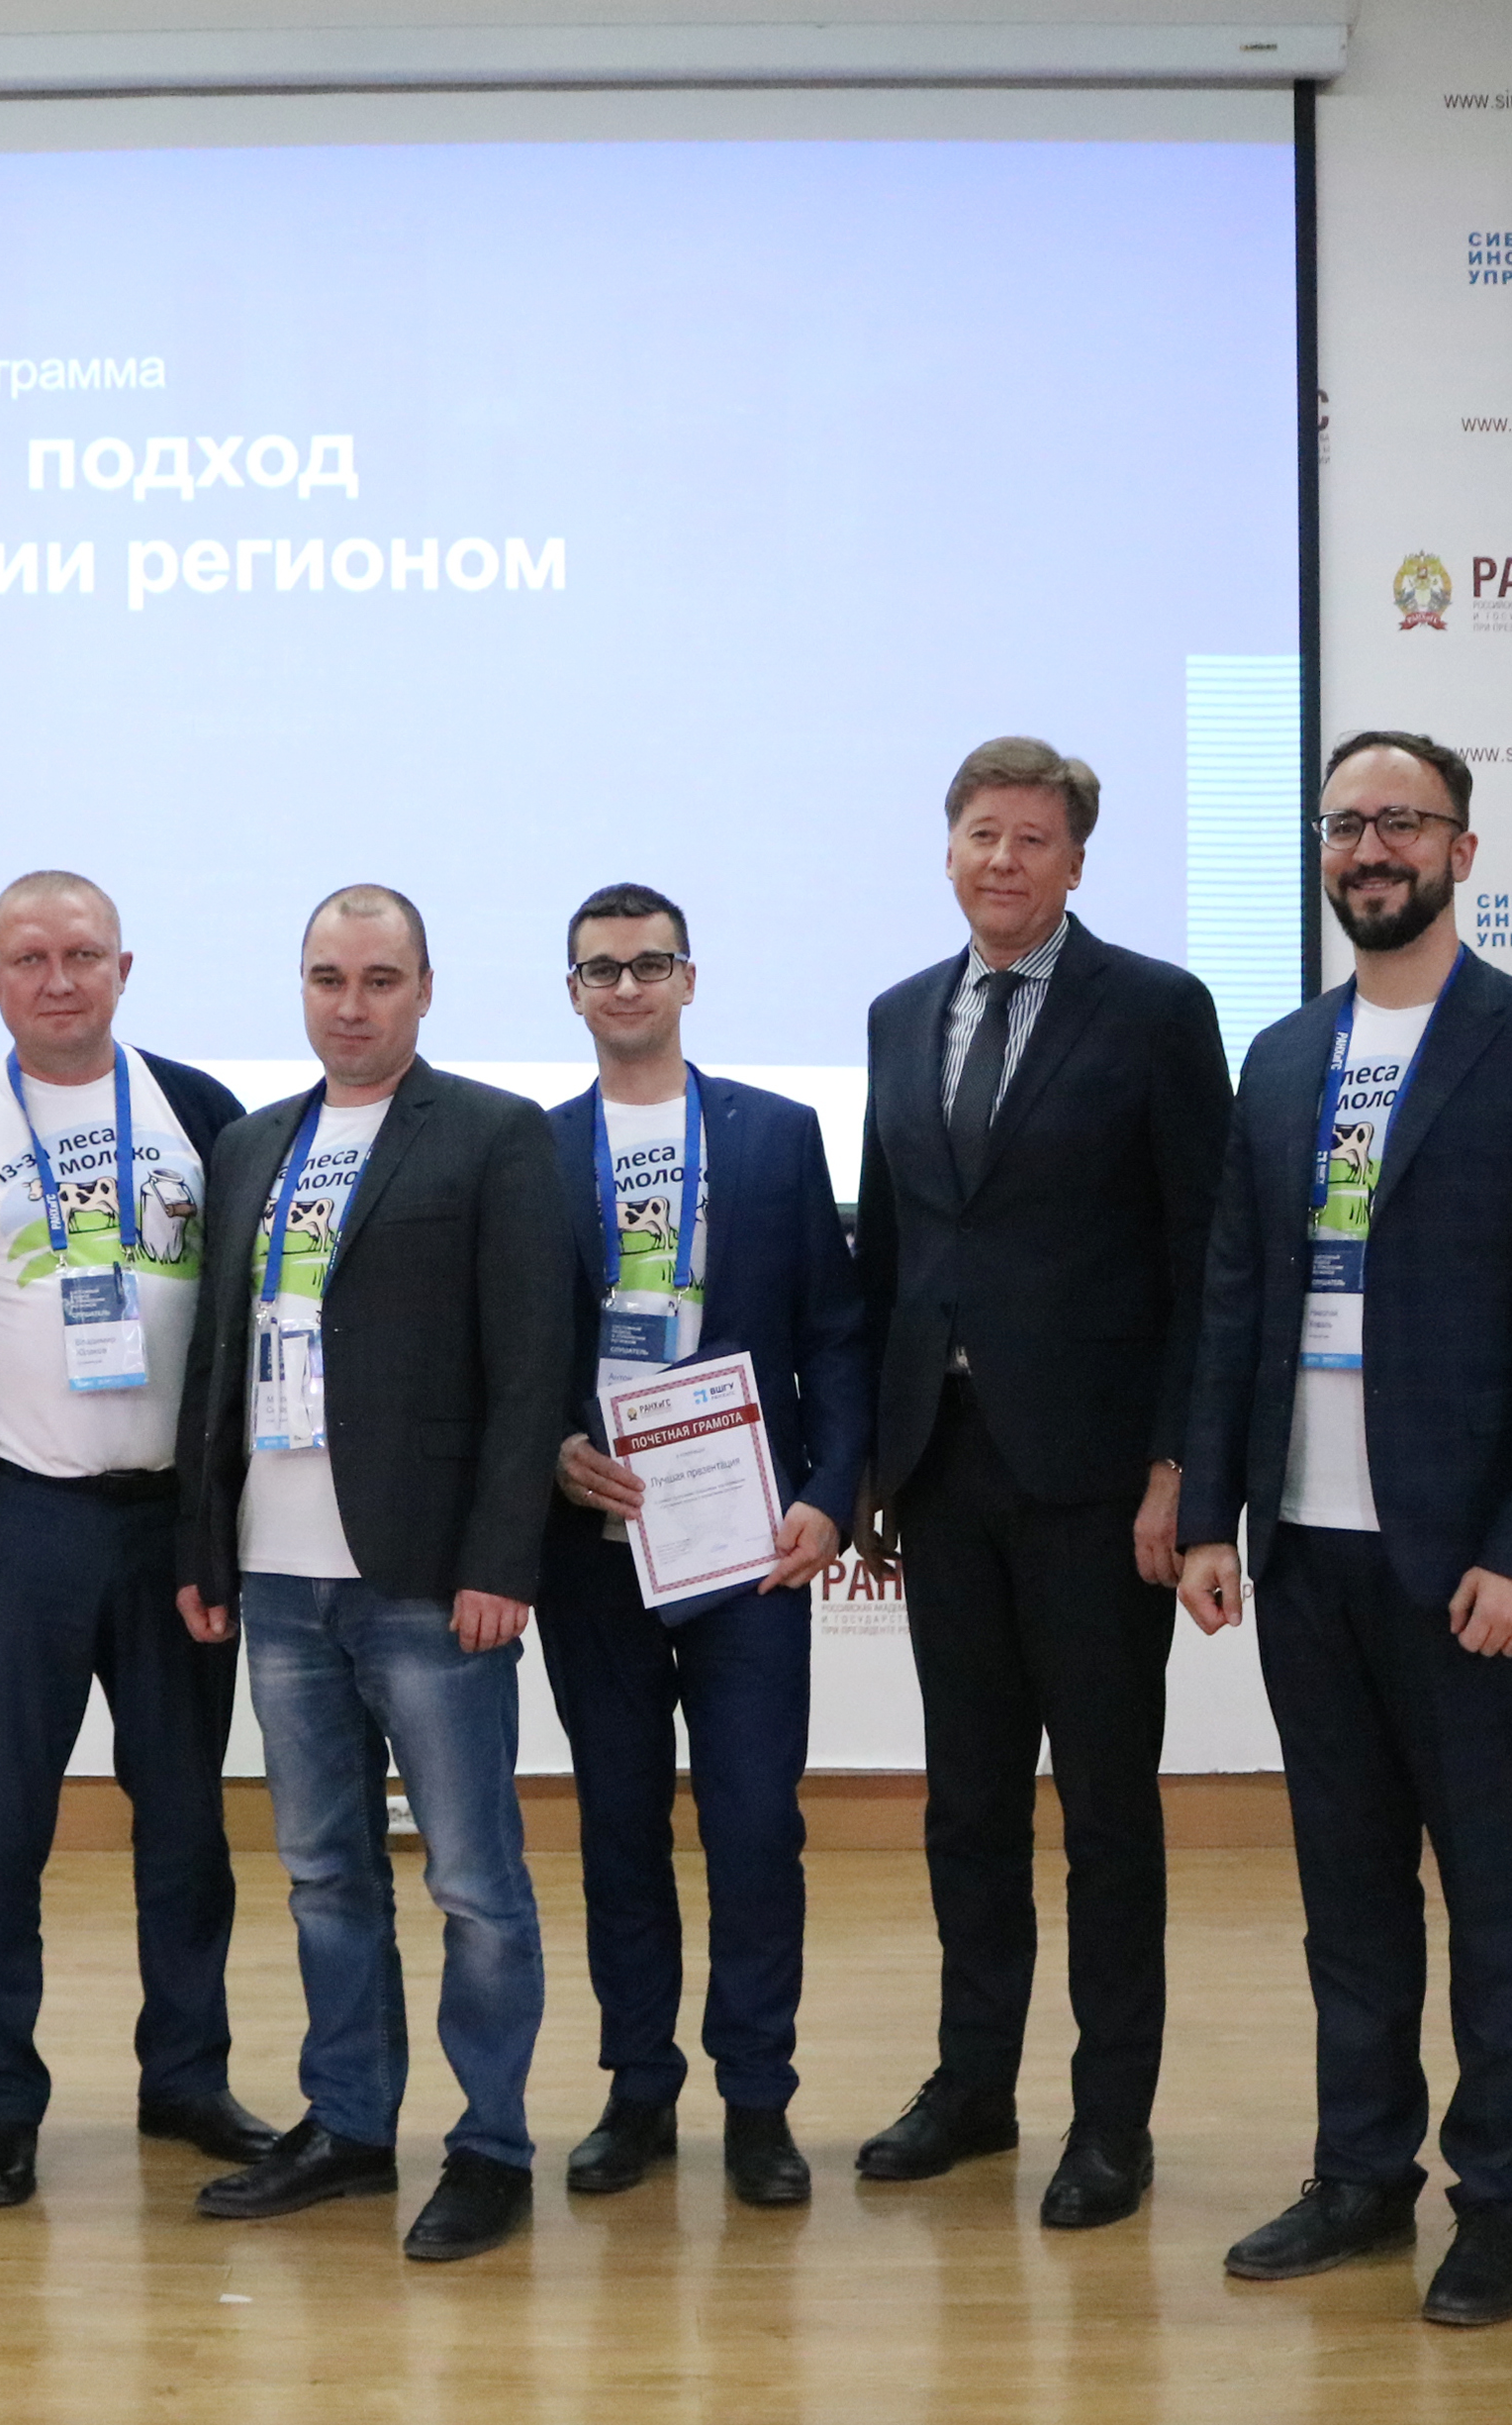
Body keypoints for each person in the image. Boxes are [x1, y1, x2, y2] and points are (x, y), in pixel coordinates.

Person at [1176, 729, 1512, 2327]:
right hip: (1307, 1546)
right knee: (1349, 1888)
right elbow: (1236, 1294)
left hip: (1466, 1564)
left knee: (1495, 1888)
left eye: (1402, 821)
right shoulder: (1283, 1054)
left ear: (1461, 847)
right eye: (1345, 823)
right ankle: (1362, 2172)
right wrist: (1215, 1511)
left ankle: (1502, 2200)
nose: (1369, 847)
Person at [850, 738, 1232, 2225]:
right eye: (980, 835)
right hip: (945, 1475)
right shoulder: (899, 1015)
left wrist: (1178, 1467)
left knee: (1106, 1812)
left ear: (1075, 862)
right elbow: (891, 1253)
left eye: (1031, 839)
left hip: (1096, 1484)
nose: (1002, 860)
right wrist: (874, 1462)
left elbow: (1204, 1257)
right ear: (947, 849)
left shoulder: (1154, 1010)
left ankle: (1111, 2121)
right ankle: (974, 2086)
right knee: (967, 1805)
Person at [0, 871, 273, 2207]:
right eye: (28, 958)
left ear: (124, 968)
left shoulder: (201, 1112)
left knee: (186, 1823)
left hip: (175, 1527)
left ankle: (186, 2076)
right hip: (13, 1523)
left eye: (82, 953)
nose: (58, 979)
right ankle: (1, 2101)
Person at [170, 885, 571, 2262]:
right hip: (277, 1579)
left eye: (380, 979)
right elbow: (219, 1359)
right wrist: (205, 1544)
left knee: (473, 1883)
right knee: (323, 1874)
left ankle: (492, 2144)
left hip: (426, 1580)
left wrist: (501, 1558)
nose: (352, 1004)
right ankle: (348, 2125)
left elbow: (531, 1363)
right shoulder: (250, 1143)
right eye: (329, 978)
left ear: (425, 989)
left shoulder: (494, 1135)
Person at [537, 884, 870, 2209]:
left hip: (750, 1546)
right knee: (619, 1827)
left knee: (752, 1828)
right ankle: (637, 2090)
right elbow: (514, 1348)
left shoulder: (776, 1135)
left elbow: (834, 1330)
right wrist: (551, 1448)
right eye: (601, 969)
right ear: (572, 992)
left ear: (689, 978)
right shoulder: (534, 1149)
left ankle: (758, 2099)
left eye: (649, 964)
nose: (626, 986)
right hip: (597, 1542)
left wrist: (832, 1493)